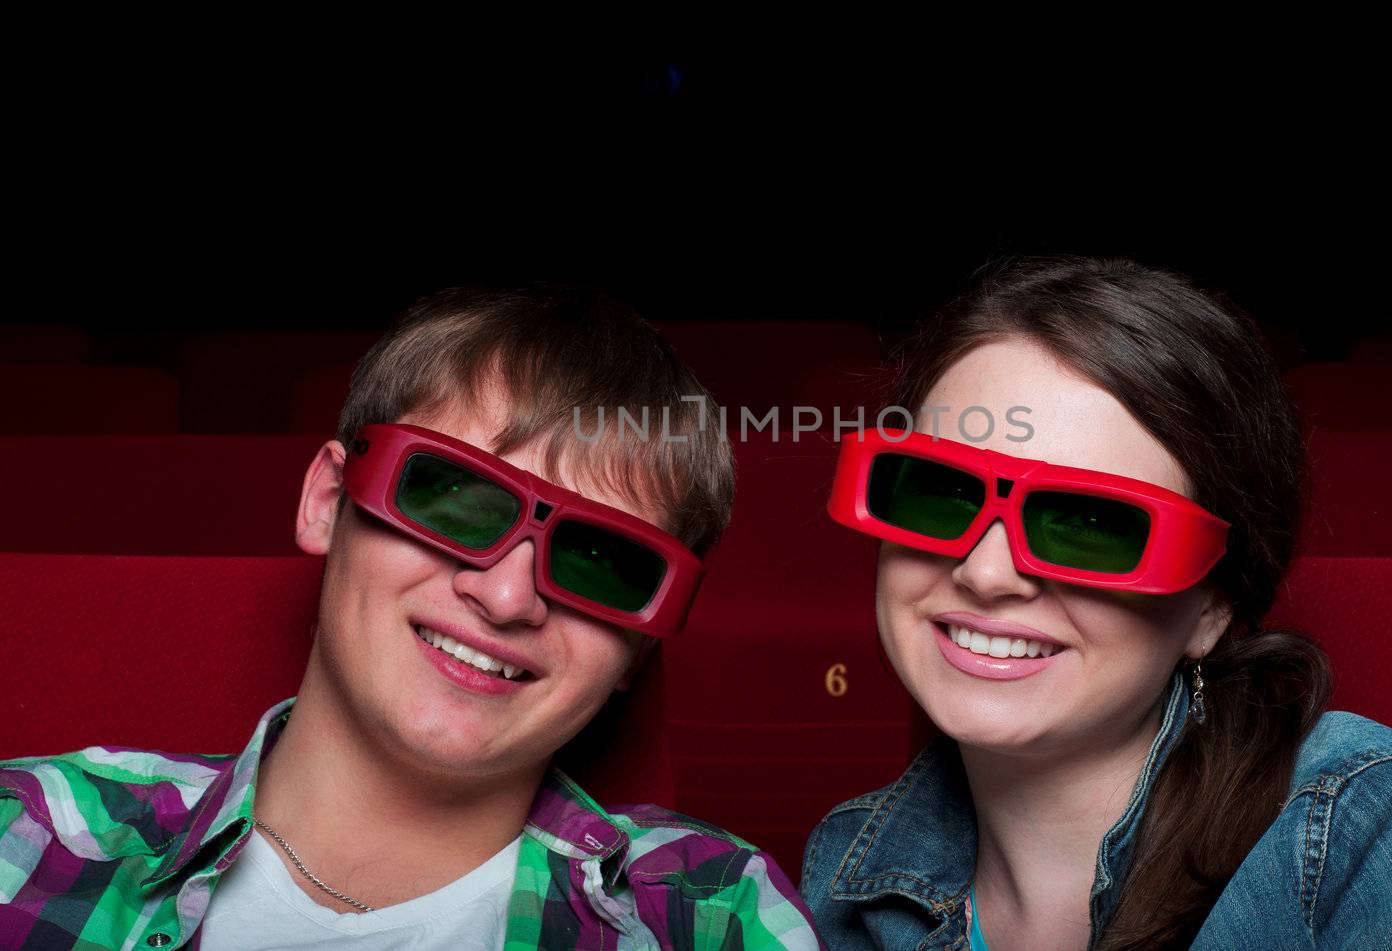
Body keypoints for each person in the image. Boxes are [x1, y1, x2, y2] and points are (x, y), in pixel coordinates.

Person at [800, 255, 1392, 950]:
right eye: (940, 492)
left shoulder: (1384, 840)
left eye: (1089, 524)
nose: (985, 571)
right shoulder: (845, 876)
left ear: (1213, 606)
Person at [0, 284, 823, 950]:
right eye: (457, 500)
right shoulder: (26, 839)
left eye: (601, 561)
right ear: (329, 502)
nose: (507, 597)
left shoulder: (714, 918)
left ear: (638, 650)